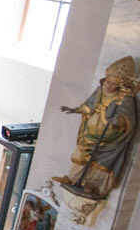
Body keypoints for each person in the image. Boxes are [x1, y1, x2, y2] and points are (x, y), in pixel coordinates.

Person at [53, 56, 138, 199]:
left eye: (113, 84)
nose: (109, 86)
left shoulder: (125, 99)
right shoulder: (99, 91)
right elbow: (89, 106)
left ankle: (93, 185)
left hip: (110, 138)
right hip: (90, 132)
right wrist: (75, 110)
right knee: (79, 154)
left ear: (120, 86)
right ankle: (72, 178)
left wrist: (117, 121)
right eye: (108, 82)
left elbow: (128, 118)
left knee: (100, 163)